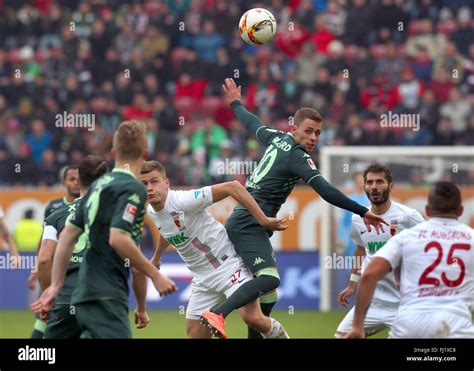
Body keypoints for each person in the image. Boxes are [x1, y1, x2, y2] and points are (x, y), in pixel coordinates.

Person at [201, 78, 388, 339]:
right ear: (294, 127)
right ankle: (218, 313)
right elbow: (325, 190)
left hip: (247, 219)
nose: (313, 138)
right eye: (308, 131)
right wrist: (362, 210)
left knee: (269, 294)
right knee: (270, 279)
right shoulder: (298, 156)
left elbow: (252, 123)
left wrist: (235, 104)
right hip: (249, 223)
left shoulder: (277, 137)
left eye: (318, 133)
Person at [32, 120, 177, 338]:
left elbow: (67, 236)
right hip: (106, 295)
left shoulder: (96, 188)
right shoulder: (133, 188)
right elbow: (118, 239)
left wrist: (55, 286)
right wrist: (155, 275)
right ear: (144, 153)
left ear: (113, 151)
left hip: (81, 294)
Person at [141, 160, 289, 339]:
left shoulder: (184, 200)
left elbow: (233, 187)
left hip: (229, 265)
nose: (149, 188)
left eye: (154, 181)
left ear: (166, 184)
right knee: (196, 336)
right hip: (202, 279)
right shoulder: (151, 210)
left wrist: (263, 220)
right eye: (144, 184)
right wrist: (157, 257)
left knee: (253, 319)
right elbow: (167, 229)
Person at [347, 181, 473, 338]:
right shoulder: (471, 238)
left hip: (411, 322)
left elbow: (369, 275)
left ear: (427, 210)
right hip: (456, 324)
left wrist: (358, 326)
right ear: (461, 210)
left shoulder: (405, 237)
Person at [335, 163, 424, 338]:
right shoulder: (358, 219)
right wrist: (352, 284)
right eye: (370, 182)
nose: (374, 187)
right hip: (371, 303)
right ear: (364, 186)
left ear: (391, 186)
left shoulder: (409, 216)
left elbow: (431, 246)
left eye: (380, 182)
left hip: (404, 305)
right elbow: (361, 250)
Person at [38, 155, 108, 338]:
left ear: (78, 180)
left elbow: (44, 260)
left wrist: (48, 295)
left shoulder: (55, 216)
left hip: (64, 298)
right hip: (101, 300)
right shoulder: (113, 213)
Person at [28, 165, 80, 339]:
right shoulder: (54, 207)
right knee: (44, 321)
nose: (76, 182)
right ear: (63, 182)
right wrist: (37, 267)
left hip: (76, 273)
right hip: (57, 271)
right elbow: (45, 241)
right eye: (71, 179)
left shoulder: (90, 205)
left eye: (78, 178)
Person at [337, 172, 369, 256]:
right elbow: (343, 222)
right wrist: (340, 238)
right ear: (355, 183)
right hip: (352, 241)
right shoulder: (349, 200)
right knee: (352, 265)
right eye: (358, 181)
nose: (360, 183)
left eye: (362, 181)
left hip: (368, 239)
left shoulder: (370, 200)